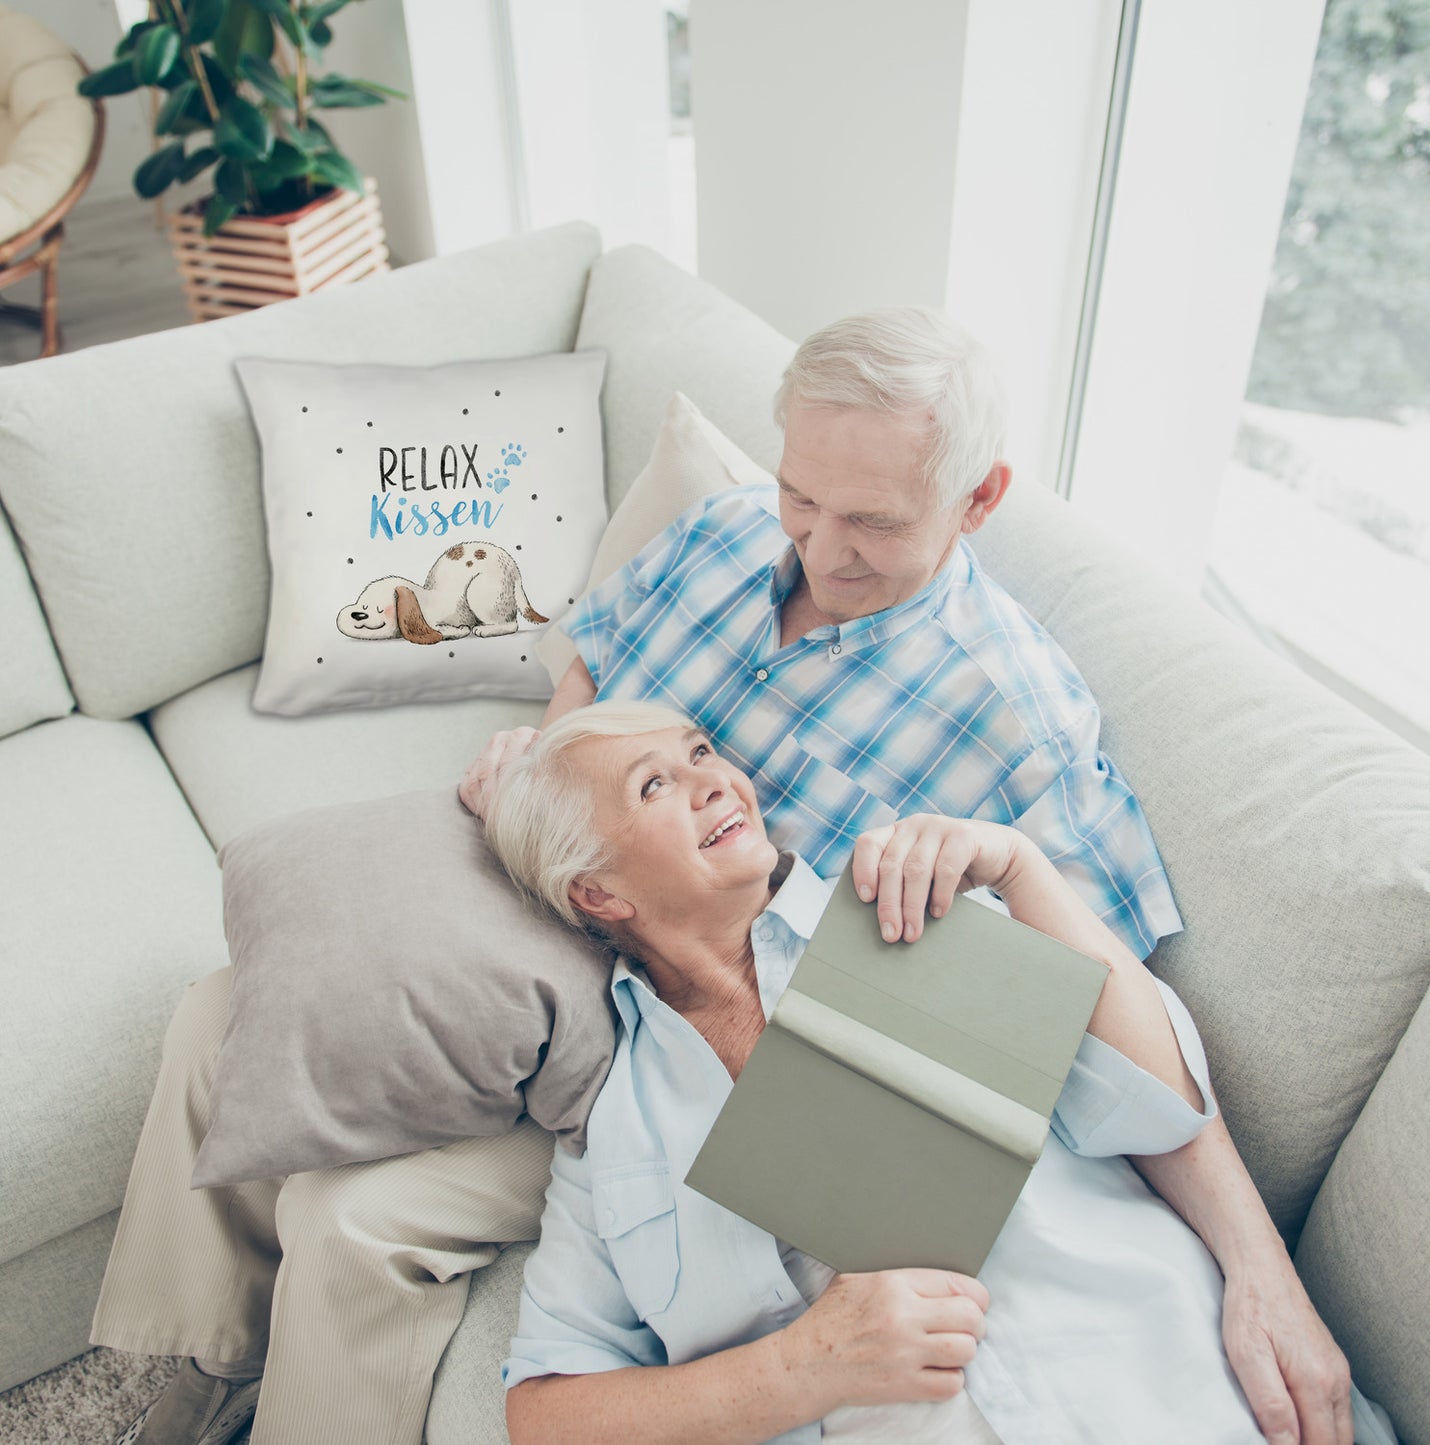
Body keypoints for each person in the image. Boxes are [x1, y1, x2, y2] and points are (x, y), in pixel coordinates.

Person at [94, 309, 1349, 1445]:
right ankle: (194, 1362)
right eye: (804, 495)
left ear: (976, 501)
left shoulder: (1017, 725)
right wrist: (547, 762)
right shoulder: (726, 532)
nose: (819, 545)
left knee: (355, 1218)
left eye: (871, 520)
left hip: (693, 1012)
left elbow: (1102, 1019)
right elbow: (592, 659)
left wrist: (1259, 1266)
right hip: (580, 886)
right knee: (229, 1007)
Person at [487, 701, 1386, 1445]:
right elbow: (544, 1414)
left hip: (1174, 1394)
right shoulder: (614, 1132)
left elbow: (1158, 1106)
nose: (715, 779)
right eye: (655, 784)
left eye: (700, 752)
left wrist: (1020, 868)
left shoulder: (910, 907)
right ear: (597, 893)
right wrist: (803, 1367)